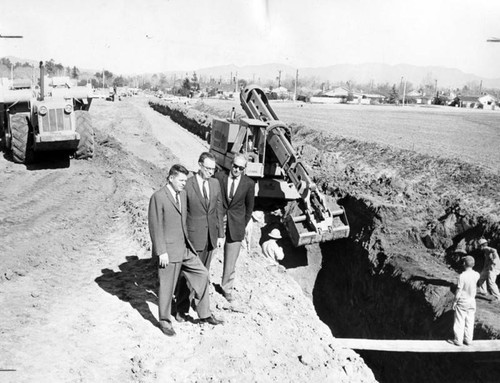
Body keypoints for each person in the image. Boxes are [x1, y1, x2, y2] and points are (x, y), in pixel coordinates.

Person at [148, 164, 222, 336]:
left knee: (202, 274)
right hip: (168, 251)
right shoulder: (158, 197)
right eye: (181, 180)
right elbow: (155, 226)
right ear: (171, 178)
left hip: (184, 248)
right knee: (167, 288)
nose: (184, 183)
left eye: (185, 180)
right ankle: (165, 321)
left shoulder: (182, 194)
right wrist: (161, 251)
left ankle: (204, 314)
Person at [175, 152, 224, 320]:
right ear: (199, 165)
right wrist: (183, 238)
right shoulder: (188, 185)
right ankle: (181, 308)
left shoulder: (216, 184)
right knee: (188, 276)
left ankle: (199, 306)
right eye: (207, 168)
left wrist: (220, 235)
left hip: (210, 237)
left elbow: (219, 209)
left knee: (204, 274)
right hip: (194, 238)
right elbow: (182, 214)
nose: (211, 172)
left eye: (213, 169)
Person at [215, 154, 255, 302]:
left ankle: (226, 288)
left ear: (244, 169)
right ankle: (200, 283)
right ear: (231, 164)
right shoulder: (219, 177)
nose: (236, 170)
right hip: (219, 220)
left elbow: (249, 207)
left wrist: (242, 223)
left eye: (240, 168)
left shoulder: (249, 184)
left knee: (231, 259)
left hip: (236, 223)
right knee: (209, 252)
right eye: (235, 166)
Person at [448, 255, 480, 346]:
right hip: (472, 301)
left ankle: (458, 340)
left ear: (464, 264)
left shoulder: (462, 276)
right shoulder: (477, 274)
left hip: (463, 300)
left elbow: (459, 290)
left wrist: (454, 301)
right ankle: (468, 340)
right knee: (470, 320)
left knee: (459, 320)